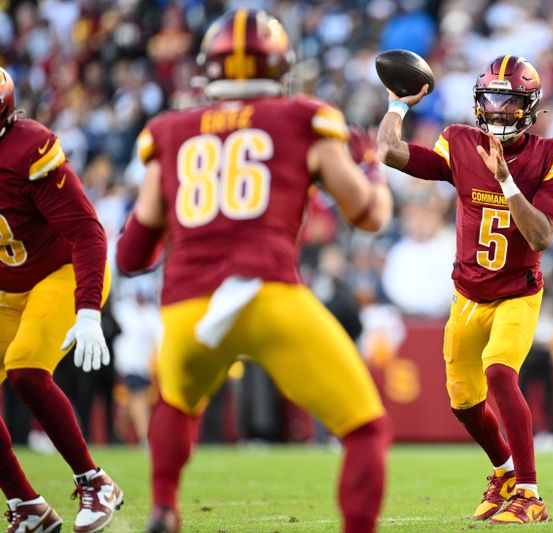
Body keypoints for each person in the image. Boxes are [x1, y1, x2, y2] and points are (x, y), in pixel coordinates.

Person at [116, 10, 393, 533]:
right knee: (365, 430)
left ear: (209, 68)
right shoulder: (303, 117)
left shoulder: (170, 131)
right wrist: (370, 165)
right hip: (265, 291)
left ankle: (163, 507)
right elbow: (369, 215)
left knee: (177, 402)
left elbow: (132, 255)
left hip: (189, 302)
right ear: (280, 64)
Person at [378, 54, 553, 524]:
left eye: (507, 102)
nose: (496, 110)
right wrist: (397, 105)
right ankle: (504, 473)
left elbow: (542, 236)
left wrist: (506, 181)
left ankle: (530, 493)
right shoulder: (460, 142)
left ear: (528, 106)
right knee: (463, 402)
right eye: (489, 99)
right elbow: (388, 151)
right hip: (468, 295)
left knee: (500, 375)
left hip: (517, 291)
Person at [0, 67, 123, 533]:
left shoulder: (25, 149)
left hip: (62, 272)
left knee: (27, 370)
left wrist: (88, 308)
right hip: (9, 286)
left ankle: (95, 481)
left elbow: (88, 232)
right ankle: (27, 506)